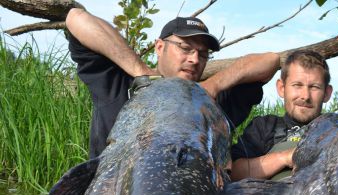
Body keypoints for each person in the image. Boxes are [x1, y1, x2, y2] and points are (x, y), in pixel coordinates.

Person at [65, 8, 280, 158]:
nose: (195, 60)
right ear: (159, 48)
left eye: (203, 54)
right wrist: (142, 73)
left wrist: (212, 86)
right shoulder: (119, 84)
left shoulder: (212, 102)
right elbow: (76, 17)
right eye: (185, 48)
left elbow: (270, 60)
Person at [231, 50, 333, 181]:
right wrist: (285, 158)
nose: (305, 96)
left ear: (327, 93)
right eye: (297, 85)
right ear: (282, 88)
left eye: (314, 87)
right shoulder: (264, 127)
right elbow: (234, 173)